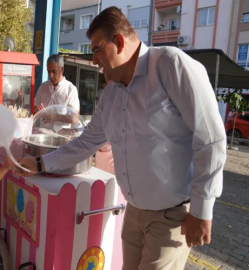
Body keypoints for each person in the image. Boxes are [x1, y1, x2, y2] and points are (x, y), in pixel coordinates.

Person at [17, 7, 227, 270]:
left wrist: (201, 210)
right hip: (134, 213)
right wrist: (39, 164)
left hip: (171, 217)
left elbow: (211, 139)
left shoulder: (170, 65)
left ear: (118, 42)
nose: (94, 60)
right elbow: (85, 143)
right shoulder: (111, 95)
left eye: (96, 49)